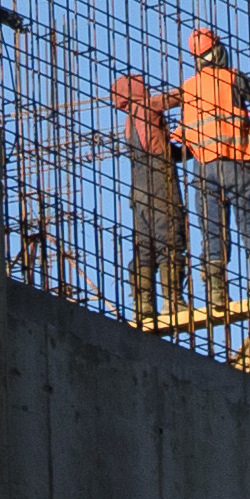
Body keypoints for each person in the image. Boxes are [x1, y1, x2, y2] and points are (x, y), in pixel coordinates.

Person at [176, 22, 250, 311]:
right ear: (220, 51)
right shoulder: (233, 79)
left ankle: (216, 295)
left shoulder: (188, 88)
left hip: (204, 171)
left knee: (212, 232)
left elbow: (182, 139)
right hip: (237, 164)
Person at [110, 66, 191, 329]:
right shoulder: (145, 107)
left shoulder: (129, 122)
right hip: (159, 182)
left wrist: (186, 150)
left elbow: (167, 149)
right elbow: (173, 98)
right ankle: (173, 299)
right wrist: (197, 88)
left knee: (144, 244)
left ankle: (143, 304)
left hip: (139, 188)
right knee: (169, 236)